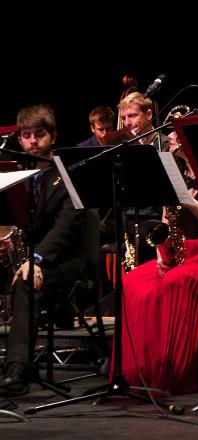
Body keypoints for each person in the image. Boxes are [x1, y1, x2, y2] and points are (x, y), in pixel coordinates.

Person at [117, 130, 198, 394]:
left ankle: (174, 373)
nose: (171, 141)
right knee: (132, 282)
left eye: (176, 137)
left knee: (174, 282)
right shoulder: (177, 176)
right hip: (181, 253)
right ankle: (141, 372)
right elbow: (164, 224)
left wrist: (189, 201)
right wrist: (162, 253)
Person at [0, 105, 87, 397]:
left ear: (53, 136)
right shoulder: (18, 176)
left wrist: (36, 259)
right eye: (26, 136)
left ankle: (16, 370)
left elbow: (66, 227)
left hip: (66, 259)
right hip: (32, 258)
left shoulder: (67, 173)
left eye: (39, 134)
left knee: (26, 282)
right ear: (19, 140)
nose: (33, 141)